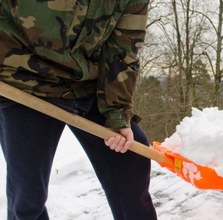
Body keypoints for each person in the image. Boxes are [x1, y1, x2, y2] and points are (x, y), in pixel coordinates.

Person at [0, 0, 157, 219]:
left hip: (85, 82)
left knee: (130, 160)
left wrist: (117, 114)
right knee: (28, 193)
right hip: (22, 82)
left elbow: (123, 50)